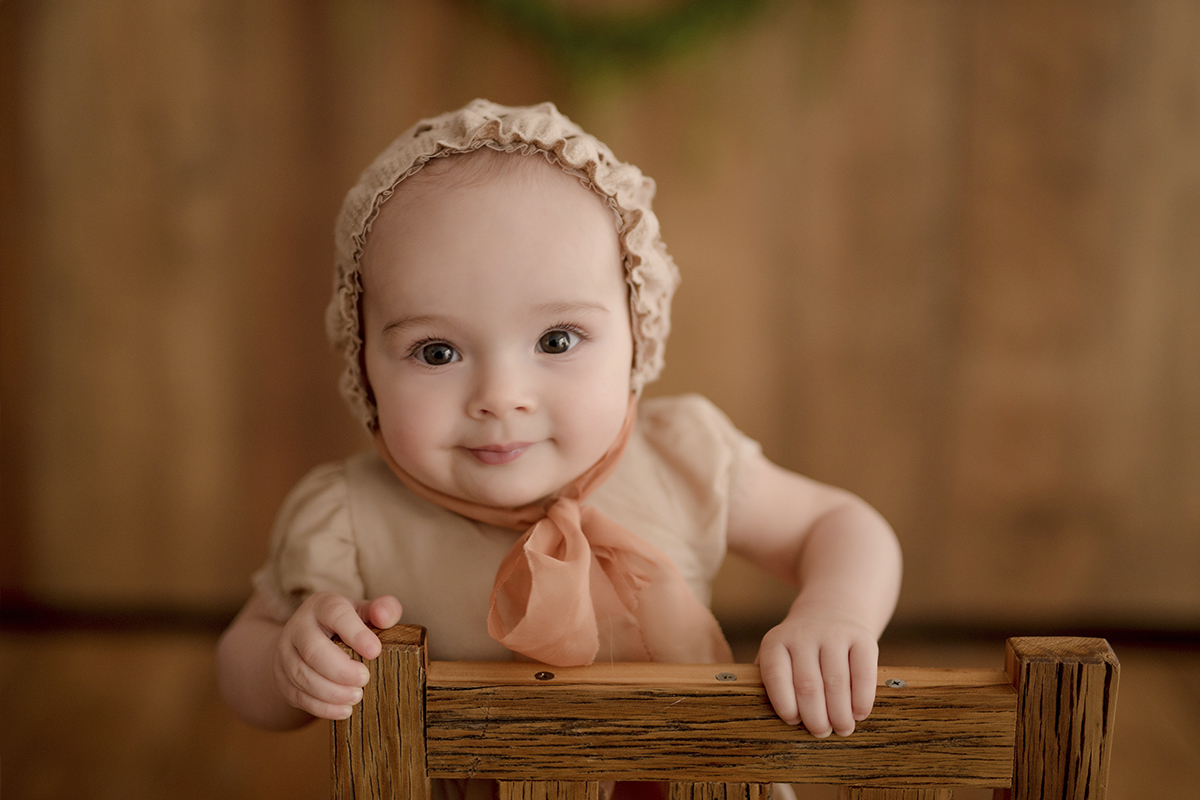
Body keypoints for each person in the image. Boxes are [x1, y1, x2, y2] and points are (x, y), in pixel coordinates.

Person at [217, 100, 901, 760]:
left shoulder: (679, 455)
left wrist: (833, 613)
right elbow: (241, 656)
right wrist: (286, 666)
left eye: (556, 339)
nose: (501, 398)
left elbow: (837, 524)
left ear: (637, 334)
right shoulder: (349, 517)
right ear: (362, 362)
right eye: (438, 352)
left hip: (693, 779)